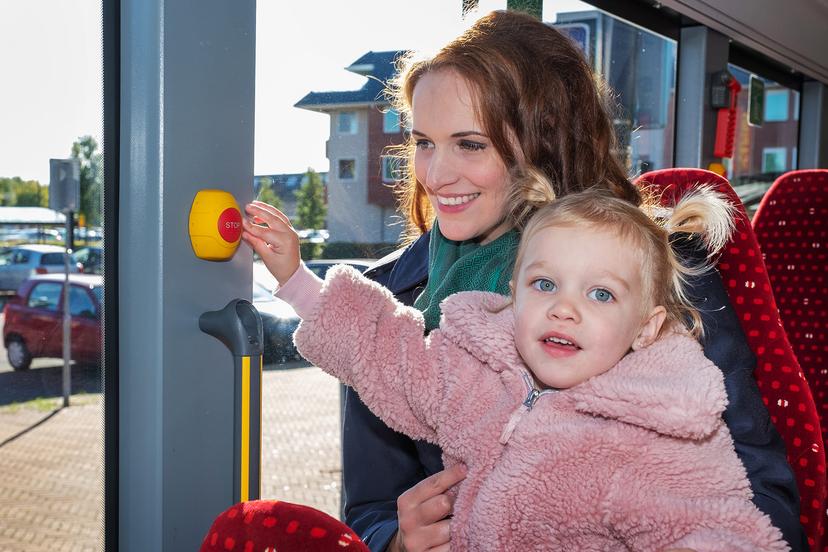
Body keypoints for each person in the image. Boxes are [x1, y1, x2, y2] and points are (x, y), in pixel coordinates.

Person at [254, 10, 803, 551]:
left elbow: (762, 497)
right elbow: (368, 510)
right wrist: (398, 540)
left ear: (544, 144)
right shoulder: (387, 296)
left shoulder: (660, 269)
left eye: (470, 144)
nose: (436, 175)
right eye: (423, 142)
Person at [242, 186, 788, 551]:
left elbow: (726, 531)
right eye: (544, 285)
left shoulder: (662, 425)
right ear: (515, 294)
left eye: (600, 293)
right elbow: (387, 351)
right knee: (251, 526)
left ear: (647, 328)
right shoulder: (477, 369)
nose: (564, 307)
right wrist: (297, 281)